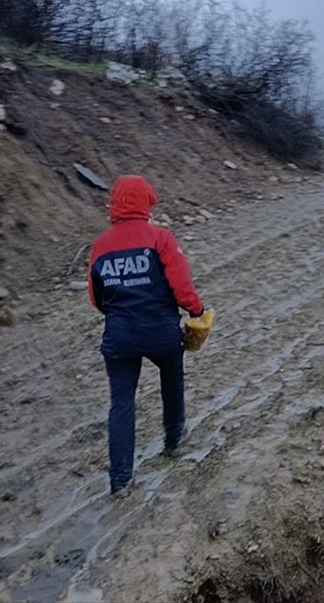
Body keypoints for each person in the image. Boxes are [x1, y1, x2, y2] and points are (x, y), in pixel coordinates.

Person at [87, 175, 205, 497]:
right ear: (145, 204)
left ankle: (120, 480)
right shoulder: (161, 238)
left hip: (120, 338)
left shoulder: (100, 246)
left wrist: (123, 312)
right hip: (161, 333)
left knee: (121, 405)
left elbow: (97, 299)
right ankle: (174, 439)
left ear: (114, 205)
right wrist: (196, 311)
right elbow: (182, 288)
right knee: (172, 380)